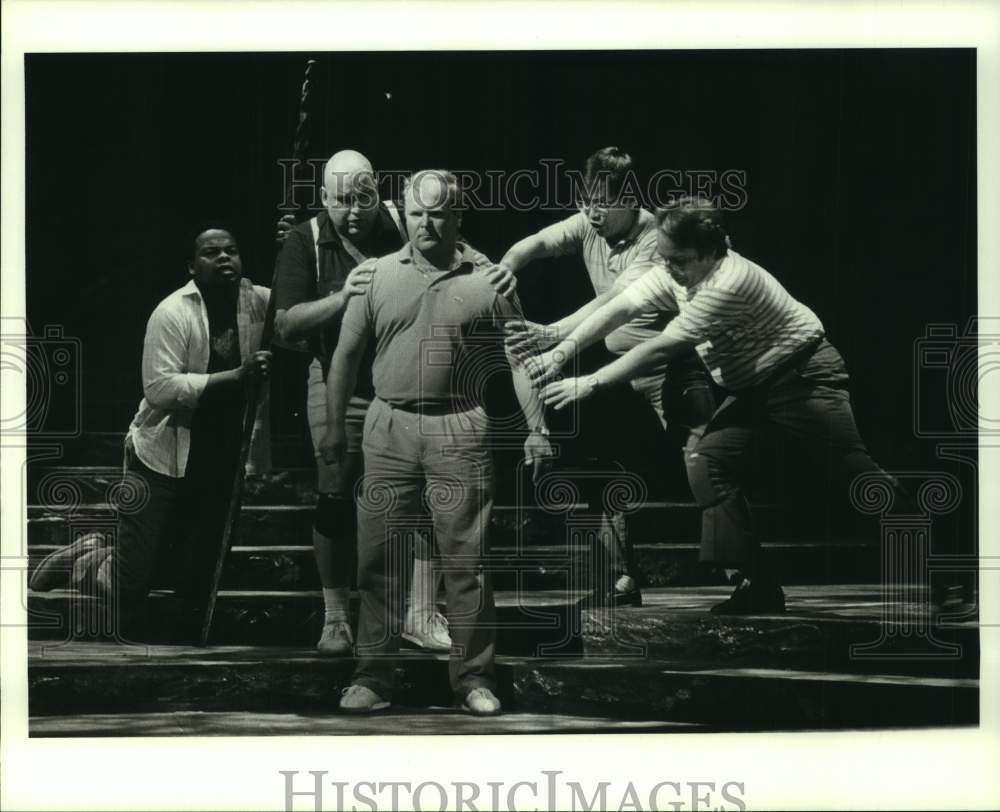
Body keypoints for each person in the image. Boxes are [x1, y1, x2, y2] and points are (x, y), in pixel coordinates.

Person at [532, 196, 912, 613]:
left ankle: (944, 561)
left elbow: (662, 346)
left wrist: (591, 381)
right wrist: (562, 350)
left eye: (679, 260)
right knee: (707, 460)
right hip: (752, 390)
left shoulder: (728, 283)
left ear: (712, 250)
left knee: (855, 477)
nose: (669, 269)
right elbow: (623, 305)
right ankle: (756, 584)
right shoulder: (677, 269)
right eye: (665, 257)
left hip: (802, 380)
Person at [321, 170, 553, 716]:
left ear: (458, 216)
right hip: (389, 424)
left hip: (460, 424)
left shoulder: (490, 281)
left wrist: (538, 428)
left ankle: (474, 678)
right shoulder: (376, 275)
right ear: (404, 215)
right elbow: (345, 356)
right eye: (417, 213)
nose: (427, 224)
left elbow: (520, 356)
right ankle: (373, 676)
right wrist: (334, 427)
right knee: (379, 557)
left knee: (467, 560)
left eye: (439, 213)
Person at [274, 150, 516, 655]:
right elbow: (286, 325)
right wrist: (344, 297)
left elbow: (455, 249)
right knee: (336, 488)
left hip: (412, 377)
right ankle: (337, 617)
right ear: (324, 198)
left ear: (378, 193)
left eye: (363, 198)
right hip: (340, 374)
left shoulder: (404, 218)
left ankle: (421, 613)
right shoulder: (304, 241)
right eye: (342, 200)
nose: (353, 210)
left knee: (426, 494)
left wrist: (496, 271)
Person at [501, 147, 716, 606]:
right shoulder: (587, 224)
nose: (591, 213)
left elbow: (614, 303)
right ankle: (620, 580)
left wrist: (553, 334)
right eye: (585, 202)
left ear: (629, 200)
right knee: (608, 464)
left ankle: (749, 575)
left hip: (671, 367)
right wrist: (504, 270)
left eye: (602, 203)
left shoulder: (655, 238)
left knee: (709, 464)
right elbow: (535, 243)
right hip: (620, 374)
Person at [30, 228, 272, 629]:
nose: (223, 258)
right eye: (211, 252)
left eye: (231, 250)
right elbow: (159, 388)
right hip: (162, 453)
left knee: (187, 578)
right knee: (129, 586)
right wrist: (235, 376)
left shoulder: (260, 300)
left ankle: (108, 554)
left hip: (219, 456)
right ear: (192, 266)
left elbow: (297, 316)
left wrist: (295, 249)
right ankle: (87, 559)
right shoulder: (172, 311)